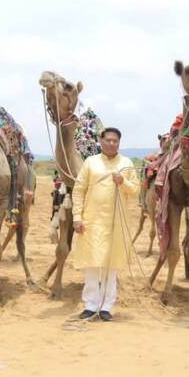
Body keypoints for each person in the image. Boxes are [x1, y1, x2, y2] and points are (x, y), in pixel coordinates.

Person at [71, 127, 139, 321]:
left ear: (119, 143)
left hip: (116, 223)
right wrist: (77, 217)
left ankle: (106, 307)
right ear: (101, 141)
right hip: (92, 222)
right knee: (91, 264)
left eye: (115, 140)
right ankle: (90, 305)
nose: (111, 143)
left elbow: (135, 190)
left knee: (112, 265)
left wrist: (122, 181)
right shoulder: (90, 162)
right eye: (108, 140)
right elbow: (79, 190)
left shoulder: (126, 163)